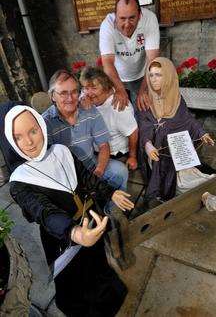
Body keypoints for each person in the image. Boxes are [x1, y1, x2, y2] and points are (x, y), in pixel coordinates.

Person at [5, 105, 129, 316]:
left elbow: (87, 178)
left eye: (33, 131)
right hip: (61, 237)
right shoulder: (20, 182)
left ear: (42, 127)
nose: (29, 142)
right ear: (11, 142)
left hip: (90, 221)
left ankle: (105, 295)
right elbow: (44, 211)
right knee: (74, 276)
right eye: (18, 137)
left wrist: (109, 193)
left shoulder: (62, 152)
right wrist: (74, 232)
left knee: (97, 263)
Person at [138, 57, 215, 208]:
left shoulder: (177, 99)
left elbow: (188, 120)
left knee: (187, 172)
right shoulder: (145, 100)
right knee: (176, 175)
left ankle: (204, 195)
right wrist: (148, 146)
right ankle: (202, 195)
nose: (153, 79)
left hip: (176, 146)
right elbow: (144, 126)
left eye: (158, 75)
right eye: (151, 75)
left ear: (168, 76)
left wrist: (202, 134)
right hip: (156, 150)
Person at [43, 69, 129, 191]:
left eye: (74, 92)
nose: (70, 98)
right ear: (52, 96)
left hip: (92, 165)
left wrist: (98, 171)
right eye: (63, 93)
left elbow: (104, 145)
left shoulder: (89, 110)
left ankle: (108, 209)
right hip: (67, 176)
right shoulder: (45, 123)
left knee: (120, 171)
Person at [99, 0, 160, 111]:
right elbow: (107, 62)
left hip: (142, 75)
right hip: (116, 76)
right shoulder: (107, 25)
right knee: (120, 113)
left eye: (132, 18)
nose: (127, 24)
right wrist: (120, 89)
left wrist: (144, 90)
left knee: (144, 111)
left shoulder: (149, 19)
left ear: (140, 14)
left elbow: (153, 59)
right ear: (115, 15)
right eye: (122, 18)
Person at [80, 66, 138, 170]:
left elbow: (133, 133)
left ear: (105, 87)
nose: (89, 93)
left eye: (94, 88)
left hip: (115, 155)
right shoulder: (85, 97)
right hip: (94, 149)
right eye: (86, 88)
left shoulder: (118, 108)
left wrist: (132, 157)